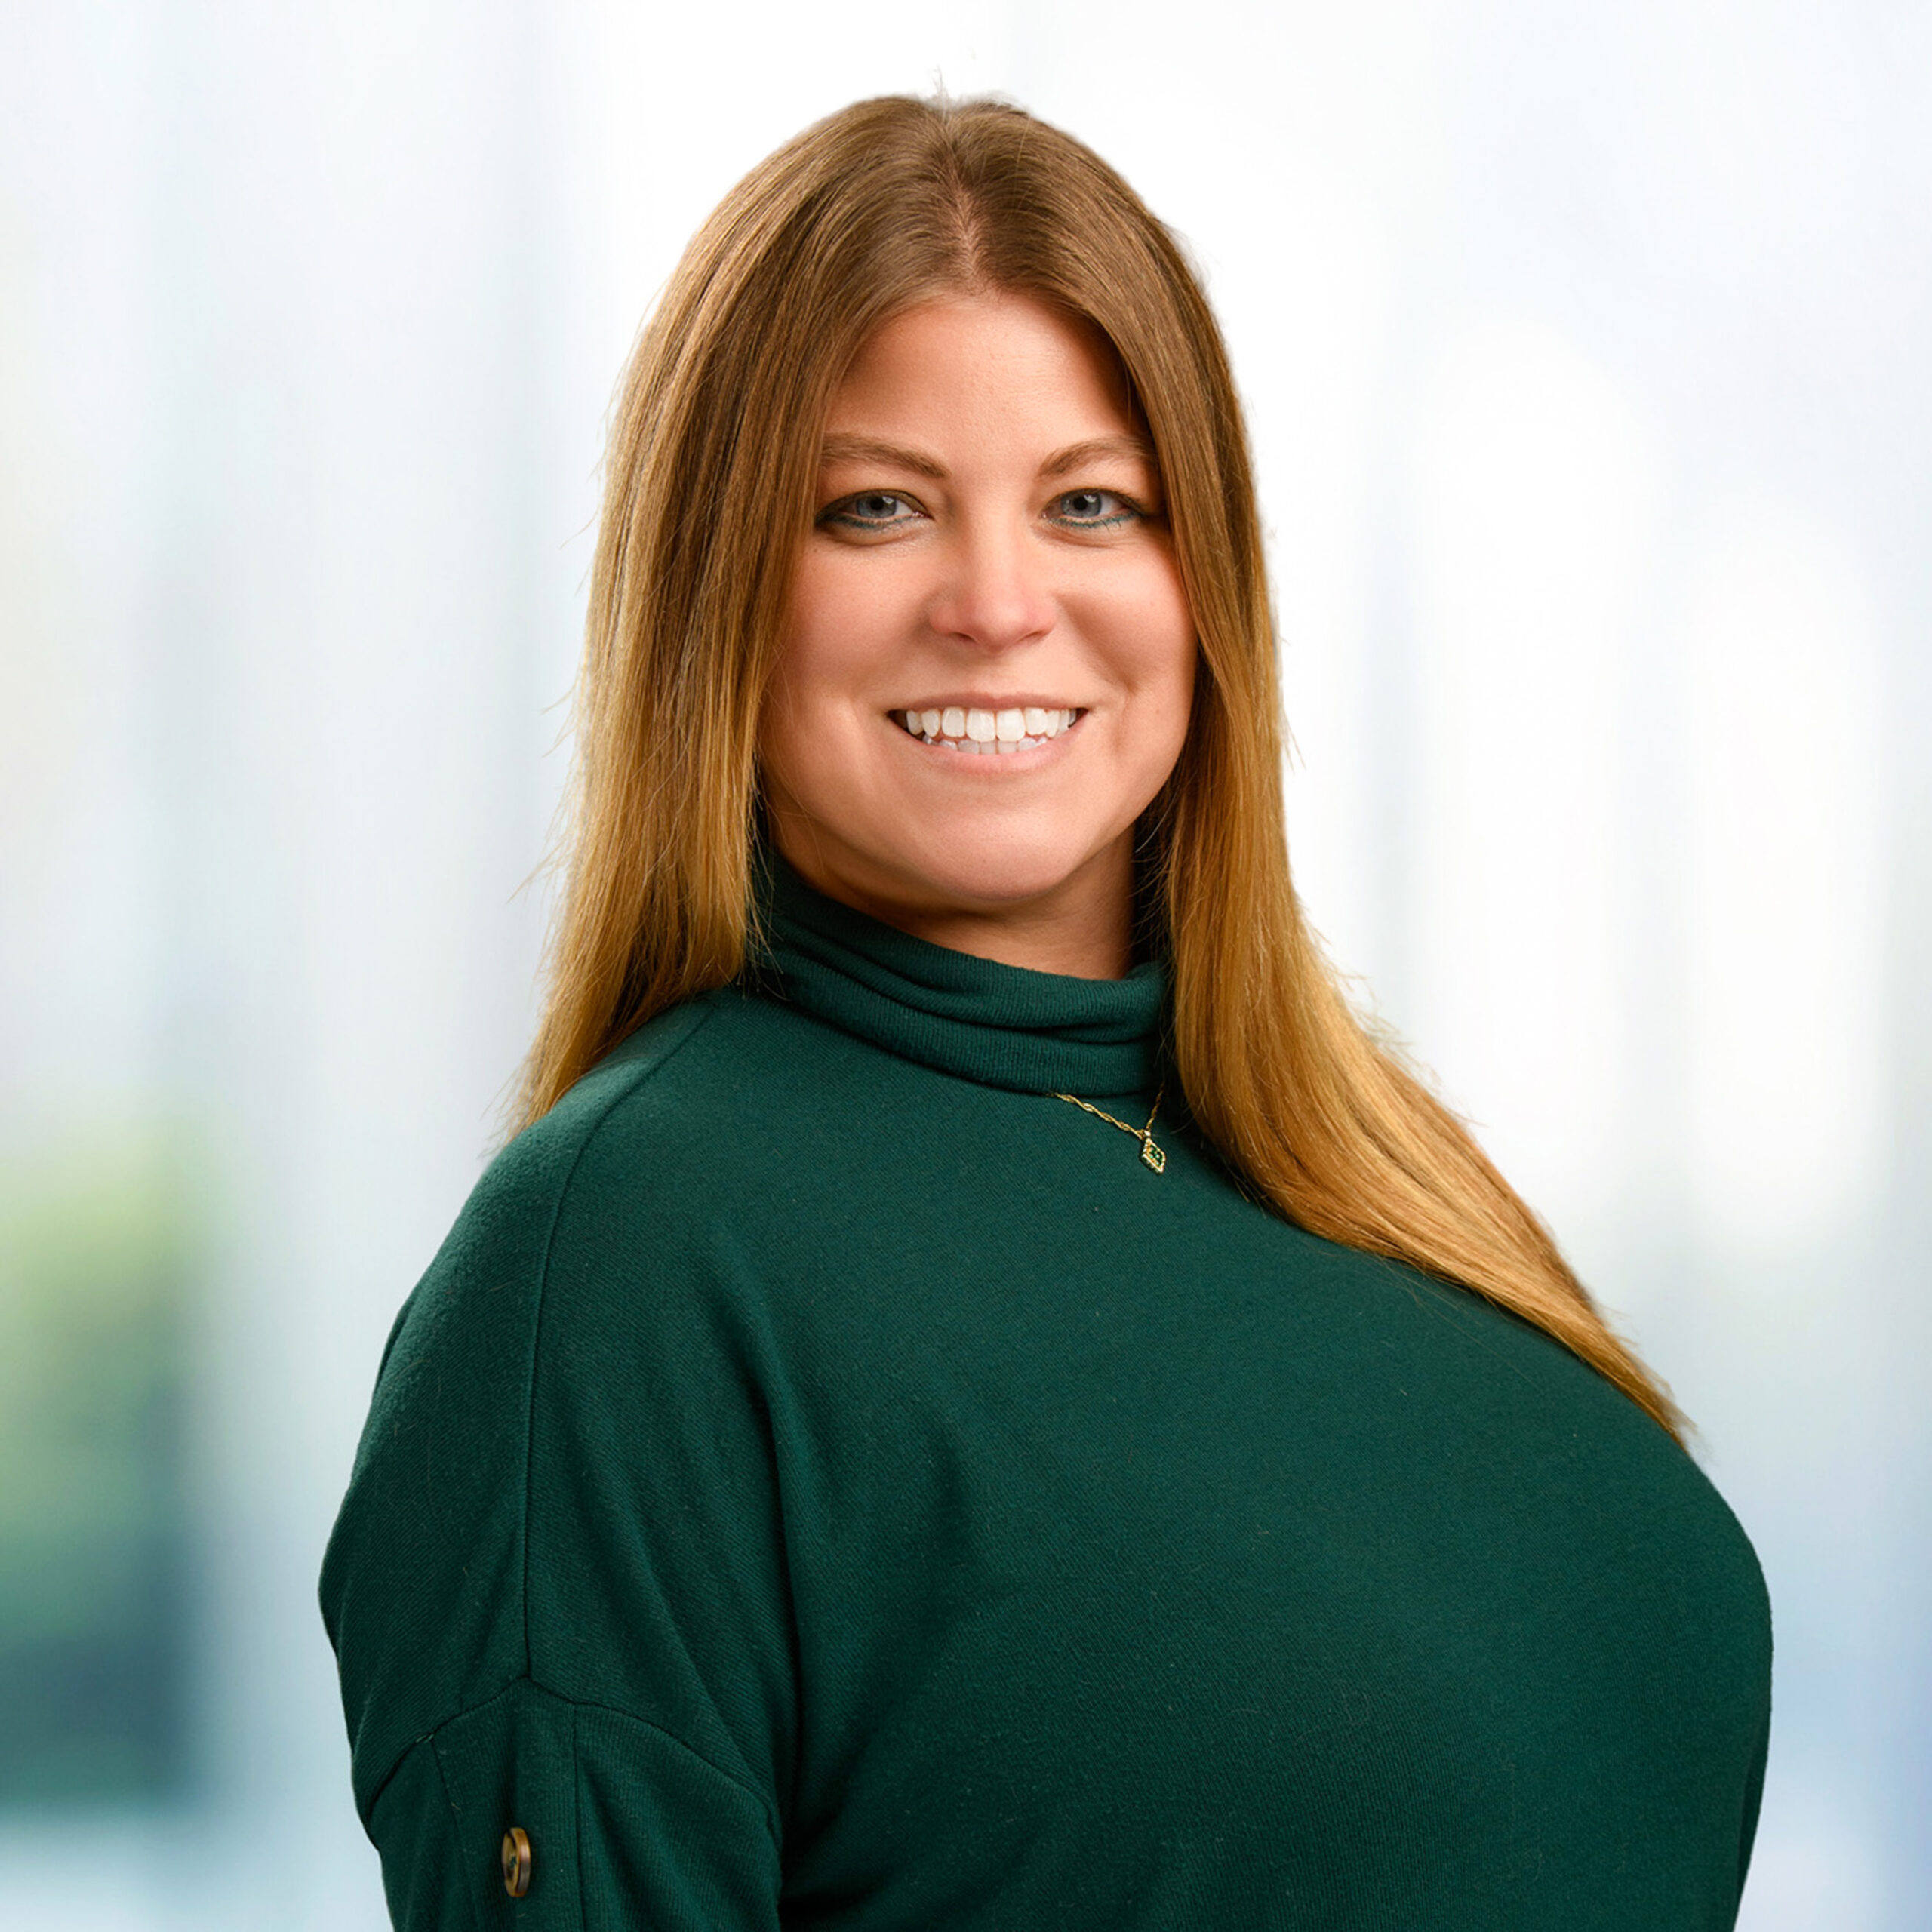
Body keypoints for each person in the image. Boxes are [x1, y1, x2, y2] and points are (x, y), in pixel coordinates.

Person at [320, 94, 1772, 1930]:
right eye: (874, 508)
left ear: (1203, 581)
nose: (997, 603)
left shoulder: (1371, 1163)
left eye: (1090, 501)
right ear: (716, 597)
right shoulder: (618, 1268)